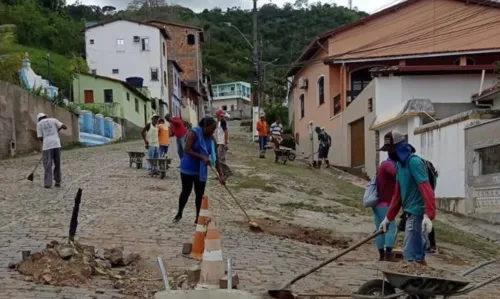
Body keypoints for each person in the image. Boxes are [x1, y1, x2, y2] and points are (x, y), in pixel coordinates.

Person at [379, 130, 436, 265]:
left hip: (417, 213)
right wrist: (388, 218)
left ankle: (414, 279)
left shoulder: (414, 162)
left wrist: (429, 215)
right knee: (416, 254)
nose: (389, 153)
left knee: (410, 255)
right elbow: (397, 195)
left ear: (399, 148)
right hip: (409, 213)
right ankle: (422, 280)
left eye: (391, 150)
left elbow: (426, 188)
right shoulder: (400, 165)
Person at [174, 117, 226, 223]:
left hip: (201, 170)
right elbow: (187, 149)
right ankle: (179, 213)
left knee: (200, 194)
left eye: (214, 129)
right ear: (205, 126)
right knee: (186, 191)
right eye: (212, 129)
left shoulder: (211, 139)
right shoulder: (194, 133)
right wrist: (202, 157)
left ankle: (198, 217)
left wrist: (221, 174)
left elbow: (216, 159)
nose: (213, 131)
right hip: (188, 168)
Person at [375, 144, 398, 261]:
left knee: (380, 229)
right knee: (391, 228)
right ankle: (388, 254)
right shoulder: (388, 165)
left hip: (378, 203)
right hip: (385, 203)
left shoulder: (383, 165)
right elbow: (396, 174)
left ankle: (381, 255)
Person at [36, 113, 67, 188]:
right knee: (57, 163)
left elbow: (39, 137)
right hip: (56, 144)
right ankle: (58, 181)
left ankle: (48, 183)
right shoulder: (54, 120)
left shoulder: (39, 124)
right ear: (46, 116)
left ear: (39, 119)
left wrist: (46, 141)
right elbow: (64, 127)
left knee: (47, 165)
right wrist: (57, 129)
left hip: (47, 146)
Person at [214, 110, 233, 178]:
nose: (220, 117)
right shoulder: (219, 122)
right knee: (220, 158)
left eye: (221, 116)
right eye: (220, 115)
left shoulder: (223, 122)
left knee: (220, 158)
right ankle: (222, 173)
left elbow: (226, 132)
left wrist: (226, 143)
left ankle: (227, 172)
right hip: (219, 142)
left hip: (222, 142)